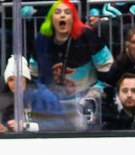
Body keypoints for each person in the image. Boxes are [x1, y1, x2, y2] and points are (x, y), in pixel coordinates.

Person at [31, 0, 113, 131]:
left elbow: (107, 66)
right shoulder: (42, 41)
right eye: (57, 12)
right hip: (53, 104)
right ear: (51, 18)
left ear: (74, 18)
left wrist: (96, 91)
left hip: (84, 100)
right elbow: (34, 73)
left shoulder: (87, 36)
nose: (62, 15)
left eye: (67, 12)